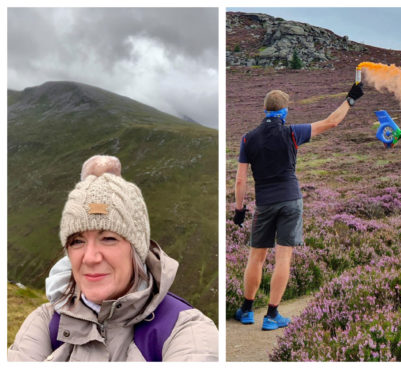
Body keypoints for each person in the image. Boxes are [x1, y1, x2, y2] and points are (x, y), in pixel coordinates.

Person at [8, 155, 218, 361]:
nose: (90, 258)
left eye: (108, 238)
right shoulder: (45, 323)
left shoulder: (185, 331)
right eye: (77, 241)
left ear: (137, 248)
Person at [232, 82, 364, 330]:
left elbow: (240, 179)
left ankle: (247, 310)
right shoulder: (293, 132)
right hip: (291, 200)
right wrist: (351, 100)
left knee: (256, 257)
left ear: (265, 110)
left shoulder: (248, 138)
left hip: (264, 203)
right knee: (283, 258)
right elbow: (331, 122)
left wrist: (239, 209)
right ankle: (272, 316)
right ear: (284, 111)